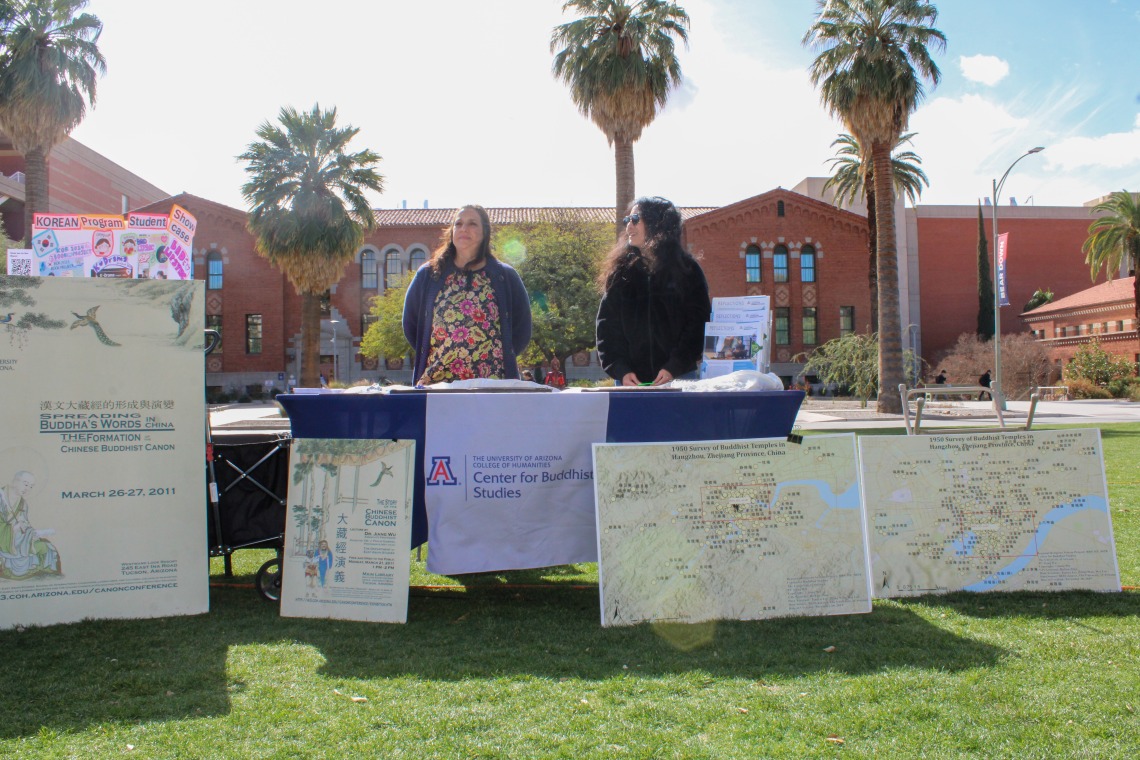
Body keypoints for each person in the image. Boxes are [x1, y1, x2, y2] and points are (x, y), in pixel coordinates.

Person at [403, 205, 532, 384]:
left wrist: (497, 356)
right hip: (437, 385)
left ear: (485, 232)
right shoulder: (428, 275)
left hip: (492, 385)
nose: (464, 228)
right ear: (452, 232)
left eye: (472, 224)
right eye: (459, 223)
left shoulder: (505, 276)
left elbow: (522, 328)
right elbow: (411, 324)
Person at [596, 197, 712, 386]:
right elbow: (606, 327)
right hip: (630, 383)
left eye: (635, 219)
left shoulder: (688, 270)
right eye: (627, 220)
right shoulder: (620, 273)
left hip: (679, 379)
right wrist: (621, 370)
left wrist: (674, 366)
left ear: (657, 222)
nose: (629, 227)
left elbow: (699, 324)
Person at [0, 470, 61, 580]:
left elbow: (25, 523)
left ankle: (41, 570)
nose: (27, 489)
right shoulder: (1, 497)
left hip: (19, 539)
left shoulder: (23, 503)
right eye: (26, 484)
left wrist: (30, 532)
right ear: (14, 481)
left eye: (31, 487)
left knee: (47, 548)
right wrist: (12, 529)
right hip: (5, 540)